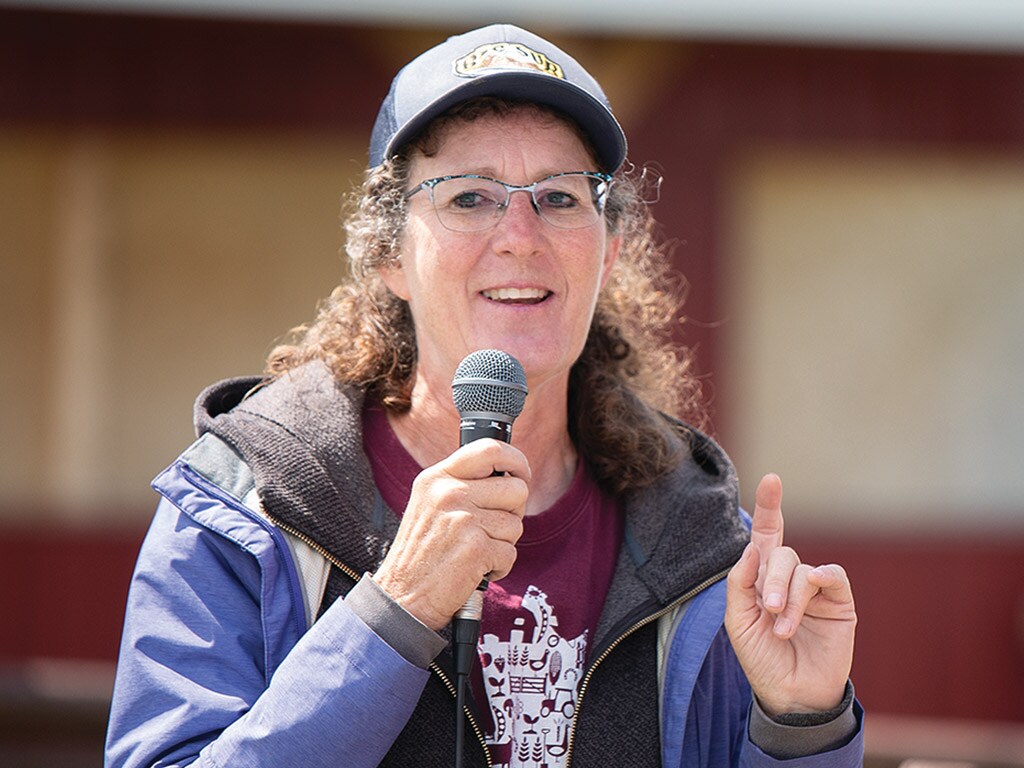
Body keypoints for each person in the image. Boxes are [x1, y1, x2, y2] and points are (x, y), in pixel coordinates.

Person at [105, 23, 862, 768]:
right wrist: (390, 616)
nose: (520, 236)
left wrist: (802, 728)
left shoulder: (702, 552)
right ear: (388, 257)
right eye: (469, 197)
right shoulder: (246, 510)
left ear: (609, 253)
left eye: (561, 198)